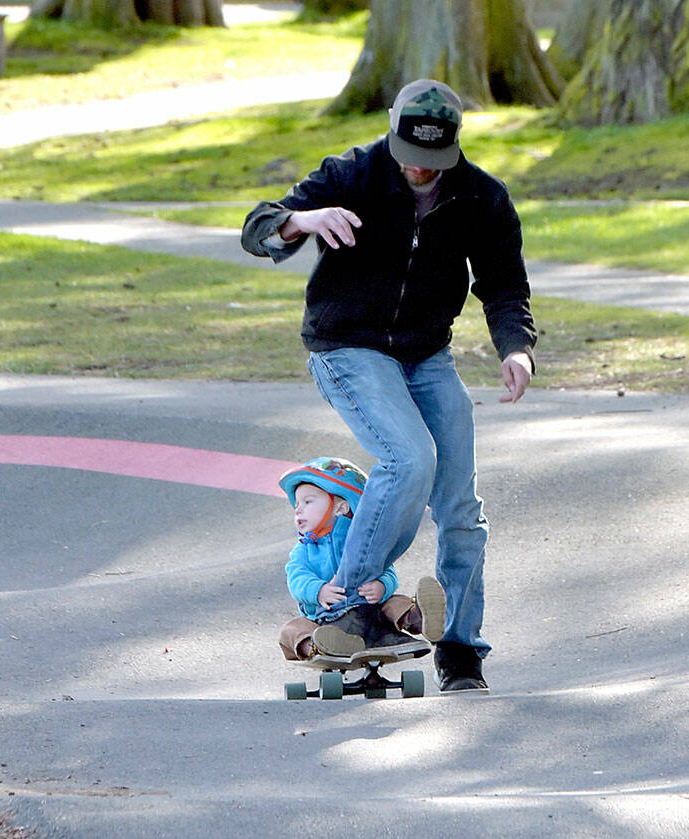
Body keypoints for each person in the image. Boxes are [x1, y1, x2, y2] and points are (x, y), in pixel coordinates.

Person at [242, 79, 537, 692]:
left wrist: (517, 348)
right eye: (408, 156)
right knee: (409, 457)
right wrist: (303, 219)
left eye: (432, 162)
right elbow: (257, 228)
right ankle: (350, 606)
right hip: (347, 347)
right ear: (391, 128)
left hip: (426, 354)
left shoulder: (481, 197)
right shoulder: (351, 173)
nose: (417, 171)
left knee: (460, 509)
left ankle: (460, 650)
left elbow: (504, 282)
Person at [276, 457, 447, 662]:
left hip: (371, 611)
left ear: (341, 507)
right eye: (296, 504)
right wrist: (318, 590)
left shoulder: (361, 541)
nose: (298, 509)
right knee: (292, 629)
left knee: (395, 603)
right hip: (324, 618)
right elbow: (297, 577)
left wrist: (382, 585)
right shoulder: (303, 550)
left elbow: (386, 568)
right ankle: (320, 644)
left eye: (308, 501)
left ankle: (420, 618)